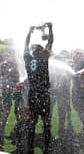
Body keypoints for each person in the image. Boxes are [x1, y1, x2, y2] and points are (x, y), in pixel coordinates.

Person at [23, 22, 53, 154]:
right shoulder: (44, 57)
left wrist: (29, 32)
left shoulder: (27, 58)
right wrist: (50, 28)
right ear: (41, 51)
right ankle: (46, 149)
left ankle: (30, 149)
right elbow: (50, 42)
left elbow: (25, 45)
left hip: (32, 93)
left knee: (32, 121)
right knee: (47, 122)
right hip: (44, 94)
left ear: (33, 51)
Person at [0, 57, 20, 151]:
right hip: (9, 90)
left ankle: (14, 131)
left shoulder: (10, 67)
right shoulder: (7, 67)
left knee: (15, 111)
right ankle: (3, 132)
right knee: (10, 111)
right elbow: (5, 80)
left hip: (13, 90)